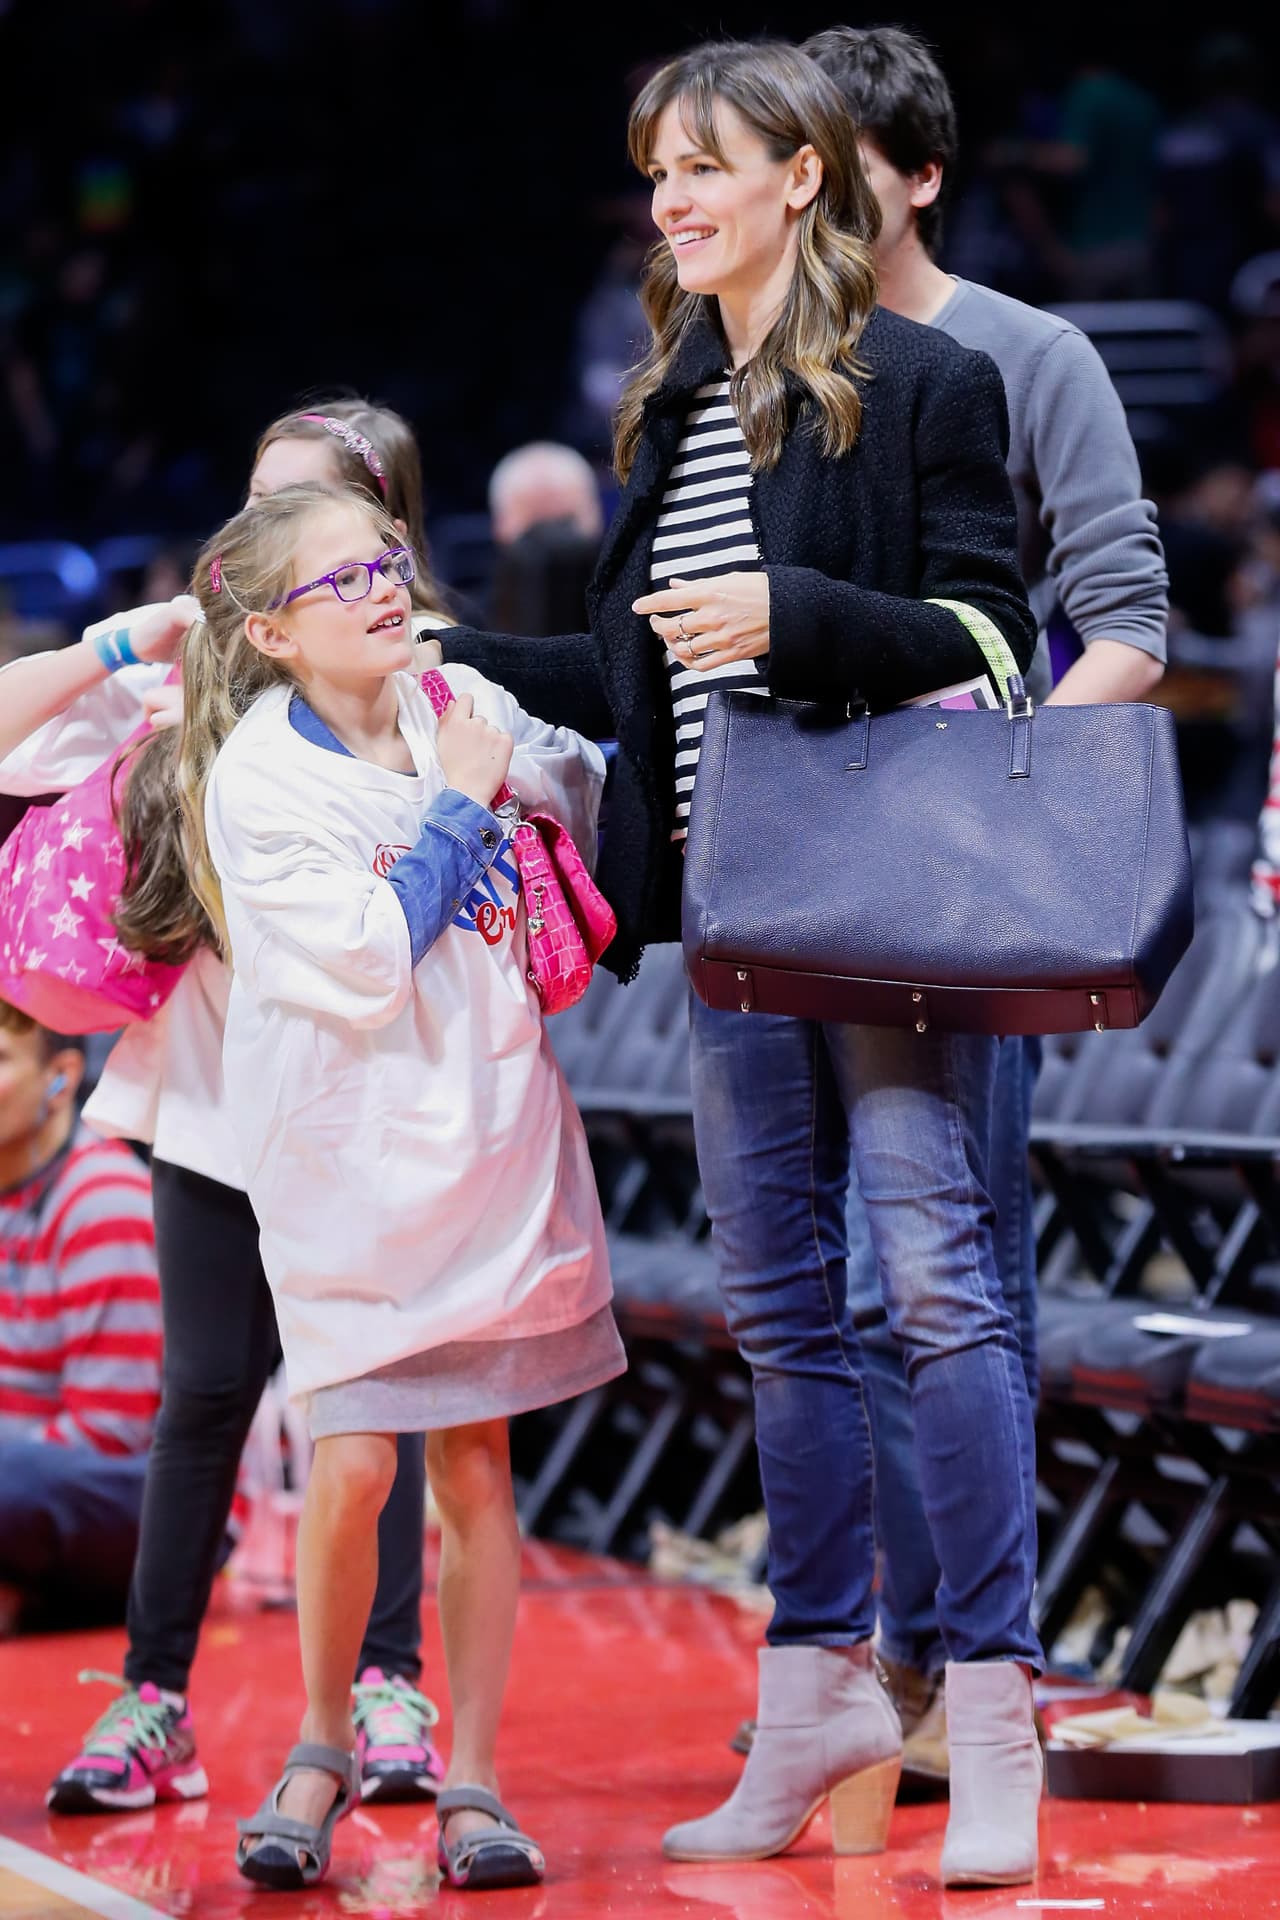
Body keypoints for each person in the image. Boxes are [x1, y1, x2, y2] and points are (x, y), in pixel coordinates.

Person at [425, 38, 1044, 1886]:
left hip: (886, 910)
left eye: (708, 164)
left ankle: (995, 1707)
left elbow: (994, 642)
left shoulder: (931, 383)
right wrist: (422, 648)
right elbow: (624, 678)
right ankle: (815, 1695)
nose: (675, 196)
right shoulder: (676, 411)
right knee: (786, 1319)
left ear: (802, 180)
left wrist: (800, 617)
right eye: (657, 170)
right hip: (731, 916)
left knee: (934, 1292)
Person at [799, 21, 1170, 1796]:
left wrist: (980, 799)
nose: (800, 190)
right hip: (785, 872)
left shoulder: (1032, 355)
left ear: (920, 173)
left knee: (941, 1275)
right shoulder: (757, 362)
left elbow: (1127, 628)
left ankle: (963, 1665)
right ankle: (892, 1655)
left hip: (961, 875)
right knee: (837, 1292)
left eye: (835, 159)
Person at [164, 481, 620, 1890]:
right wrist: (467, 804)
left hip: (487, 1143)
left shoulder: (454, 703)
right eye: (339, 580)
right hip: (348, 1166)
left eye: (388, 564)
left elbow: (593, 801)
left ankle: (473, 1776)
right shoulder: (258, 778)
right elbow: (366, 958)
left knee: (479, 1464)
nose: (378, 589)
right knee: (354, 1466)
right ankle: (321, 1739)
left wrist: (545, 779)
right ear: (275, 631)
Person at [0, 400, 451, 1815]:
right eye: (253, 508)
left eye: (305, 510)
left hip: (376, 1116)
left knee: (371, 1408)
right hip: (212, 1110)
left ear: (381, 541)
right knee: (203, 1400)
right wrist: (115, 642)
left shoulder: (428, 689)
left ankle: (389, 1691)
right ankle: (153, 1703)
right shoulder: (185, 686)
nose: (258, 538)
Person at [0, 1005, 162, 1636]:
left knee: (13, 1479)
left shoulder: (103, 1198)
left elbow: (110, 1432)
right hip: (28, 1488)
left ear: (62, 1077)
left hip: (128, 1498)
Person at [487, 442, 605, 638]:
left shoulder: (640, 617)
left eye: (565, 523)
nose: (553, 544)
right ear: (499, 525)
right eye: (533, 530)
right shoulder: (461, 628)